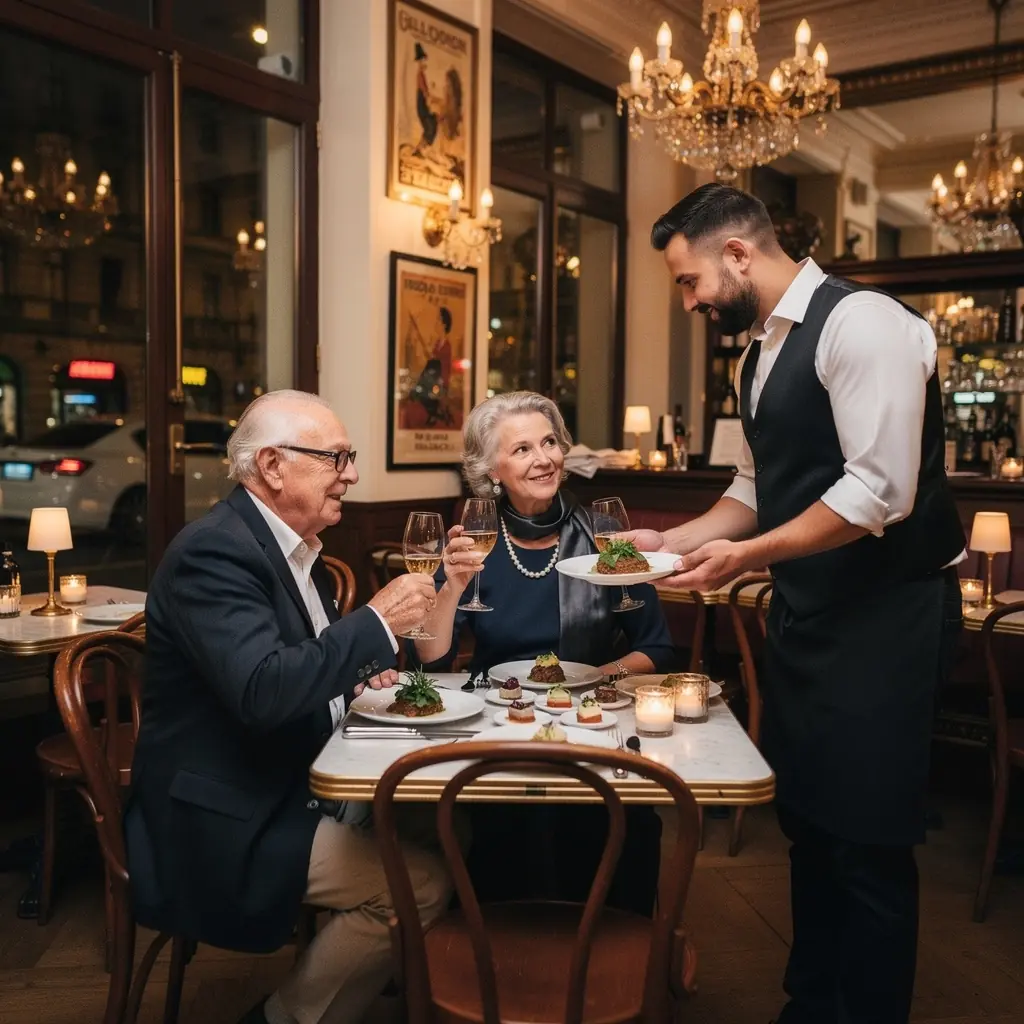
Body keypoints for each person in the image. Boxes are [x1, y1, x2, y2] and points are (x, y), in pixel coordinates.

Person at [631, 184, 964, 1024]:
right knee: (810, 829)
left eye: (689, 280)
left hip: (887, 615)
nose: (691, 300)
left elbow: (876, 492)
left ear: (737, 255)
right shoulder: (756, 354)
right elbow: (753, 488)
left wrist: (748, 556)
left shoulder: (866, 325)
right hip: (808, 620)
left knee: (869, 845)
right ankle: (809, 1005)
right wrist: (664, 545)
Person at [126, 390, 452, 1024]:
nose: (352, 474)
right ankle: (283, 1017)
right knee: (420, 883)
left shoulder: (291, 548)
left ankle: (385, 971)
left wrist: (355, 680)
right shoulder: (213, 552)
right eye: (337, 457)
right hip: (225, 811)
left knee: (441, 820)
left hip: (286, 773)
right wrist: (377, 622)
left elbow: (301, 672)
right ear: (273, 467)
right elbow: (263, 691)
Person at [414, 390, 674, 912]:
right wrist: (452, 586)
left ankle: (610, 957)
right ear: (490, 470)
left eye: (550, 442)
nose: (544, 459)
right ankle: (504, 960)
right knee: (505, 833)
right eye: (523, 449)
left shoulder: (604, 538)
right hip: (497, 732)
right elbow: (432, 659)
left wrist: (593, 677)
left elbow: (657, 647)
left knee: (623, 825)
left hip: (590, 727)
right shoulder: (476, 541)